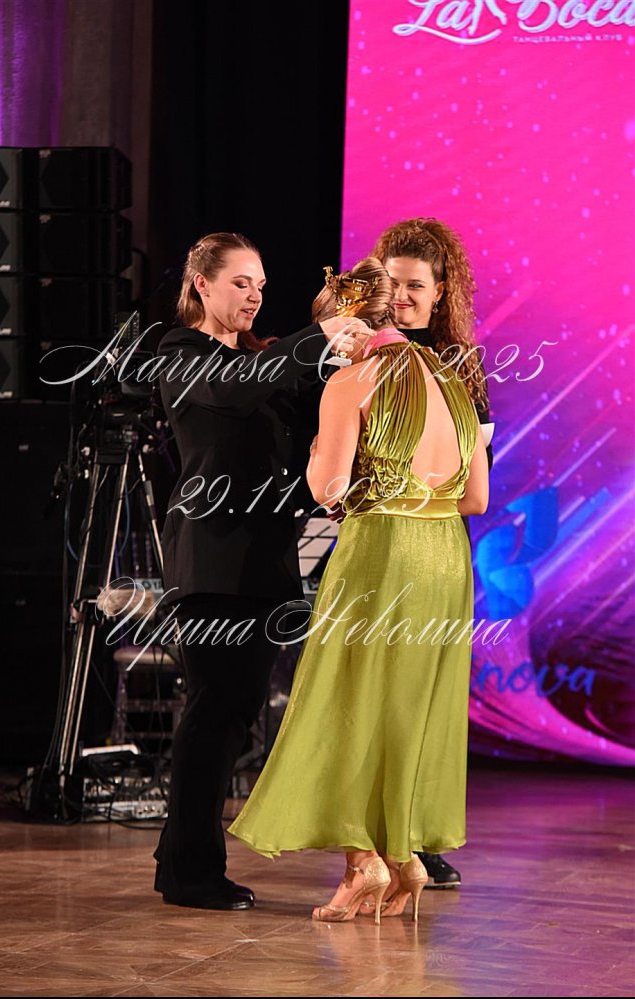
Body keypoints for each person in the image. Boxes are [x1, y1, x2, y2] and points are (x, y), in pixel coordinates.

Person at [227, 257, 489, 923]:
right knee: (407, 708)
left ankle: (362, 863)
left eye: (332, 338)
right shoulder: (451, 379)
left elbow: (327, 489)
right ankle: (404, 857)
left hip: (383, 549)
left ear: (350, 326)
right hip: (446, 555)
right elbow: (476, 498)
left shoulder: (353, 380)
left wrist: (322, 446)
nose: (330, 352)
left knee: (345, 699)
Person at [152, 232, 374, 910]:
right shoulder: (181, 354)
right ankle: (191, 870)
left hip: (266, 560)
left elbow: (305, 431)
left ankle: (180, 854)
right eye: (241, 282)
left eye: (261, 286)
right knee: (217, 706)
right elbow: (238, 390)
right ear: (201, 283)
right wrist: (317, 336)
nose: (253, 296)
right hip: (212, 562)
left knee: (236, 708)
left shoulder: (264, 362)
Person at [371, 216, 493, 888]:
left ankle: (417, 835)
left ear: (442, 291)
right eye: (391, 283)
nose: (401, 297)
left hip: (439, 550)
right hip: (377, 548)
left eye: (415, 285)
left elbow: (478, 484)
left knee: (430, 699)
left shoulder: (463, 367)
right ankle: (374, 839)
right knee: (378, 697)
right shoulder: (362, 355)